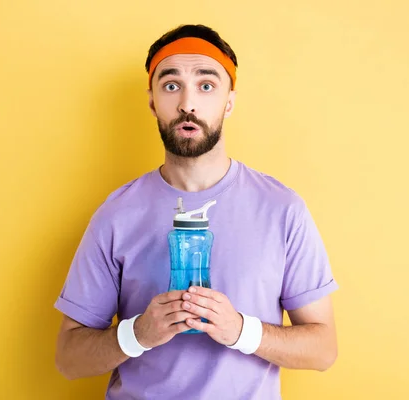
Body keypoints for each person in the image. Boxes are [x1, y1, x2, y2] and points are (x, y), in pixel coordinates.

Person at [54, 24, 339, 399]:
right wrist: (137, 334)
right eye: (171, 85)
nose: (188, 103)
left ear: (229, 101)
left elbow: (323, 350)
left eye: (206, 86)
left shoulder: (282, 209)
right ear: (153, 101)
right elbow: (68, 359)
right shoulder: (116, 214)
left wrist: (241, 331)